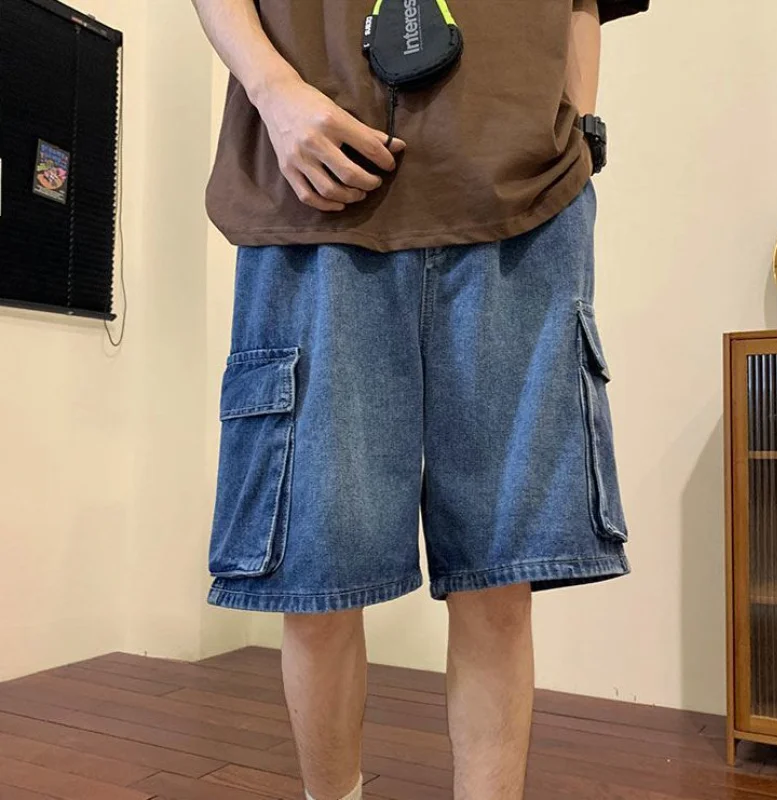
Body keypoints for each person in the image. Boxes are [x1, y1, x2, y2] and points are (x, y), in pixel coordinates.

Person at [191, 1, 649, 798]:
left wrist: (577, 131)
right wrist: (272, 91)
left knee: (500, 579)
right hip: (313, 195)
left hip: (522, 200)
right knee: (317, 577)